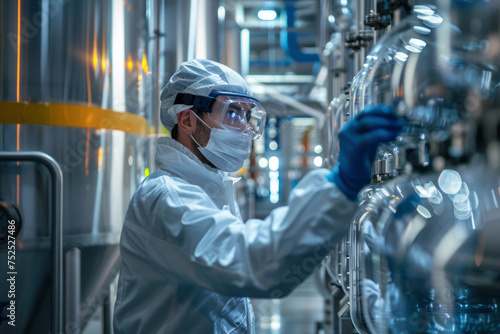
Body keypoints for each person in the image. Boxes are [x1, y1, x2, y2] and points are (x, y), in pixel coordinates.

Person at [113, 59, 405, 333]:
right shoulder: (168, 198)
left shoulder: (207, 188)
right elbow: (256, 264)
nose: (246, 127)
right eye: (232, 113)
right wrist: (341, 183)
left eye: (247, 114)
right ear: (187, 120)